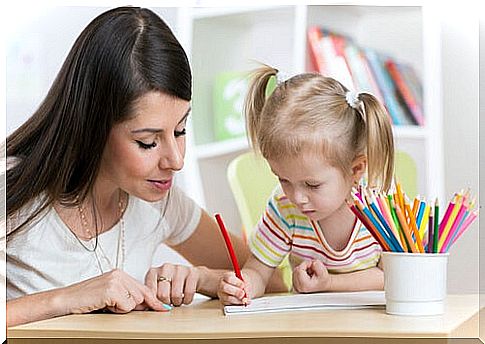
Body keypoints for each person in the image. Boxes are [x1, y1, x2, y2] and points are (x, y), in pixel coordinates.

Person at [3, 7, 252, 327]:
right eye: (148, 142)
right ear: (93, 128)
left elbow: (269, 279)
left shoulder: (161, 201)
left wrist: (205, 280)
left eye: (180, 130)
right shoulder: (11, 189)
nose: (176, 160)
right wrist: (66, 299)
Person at [218, 64, 395, 305]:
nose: (297, 197)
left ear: (355, 169)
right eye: (284, 180)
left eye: (312, 184)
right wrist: (242, 286)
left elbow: (390, 278)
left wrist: (329, 284)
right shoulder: (284, 208)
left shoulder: (380, 207)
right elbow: (259, 273)